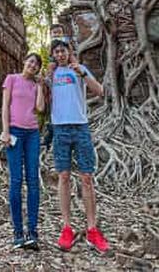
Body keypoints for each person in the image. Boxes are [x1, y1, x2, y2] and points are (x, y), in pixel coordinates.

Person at [46, 39, 110, 253]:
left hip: (80, 127)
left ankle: (92, 229)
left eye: (63, 50)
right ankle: (66, 227)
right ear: (53, 55)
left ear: (70, 52)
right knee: (63, 178)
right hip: (60, 129)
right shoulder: (51, 74)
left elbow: (100, 91)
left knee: (87, 178)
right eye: (57, 51)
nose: (60, 54)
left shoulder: (80, 69)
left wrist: (81, 72)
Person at [0, 53, 45, 249]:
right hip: (15, 132)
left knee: (33, 181)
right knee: (16, 180)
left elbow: (40, 109)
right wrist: (5, 131)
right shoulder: (11, 79)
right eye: (31, 61)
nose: (33, 65)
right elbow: (5, 106)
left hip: (32, 134)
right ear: (25, 62)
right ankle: (18, 232)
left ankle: (32, 232)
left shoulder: (35, 86)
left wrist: (42, 87)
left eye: (36, 64)